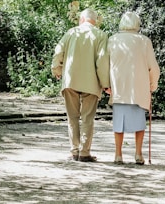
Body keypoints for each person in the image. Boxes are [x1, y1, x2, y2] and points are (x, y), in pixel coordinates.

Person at [51, 8, 110, 162]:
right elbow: (102, 61)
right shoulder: (101, 35)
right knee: (87, 118)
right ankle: (84, 153)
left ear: (82, 19)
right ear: (95, 21)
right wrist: (105, 84)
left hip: (70, 80)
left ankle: (74, 151)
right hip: (91, 83)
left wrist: (57, 69)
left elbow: (58, 52)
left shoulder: (71, 33)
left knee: (72, 117)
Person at [106, 11, 160, 165]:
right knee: (139, 123)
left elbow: (105, 64)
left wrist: (106, 85)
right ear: (137, 24)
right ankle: (138, 154)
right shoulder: (144, 41)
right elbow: (153, 67)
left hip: (119, 87)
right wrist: (152, 84)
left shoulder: (113, 40)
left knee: (118, 123)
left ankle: (118, 154)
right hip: (139, 88)